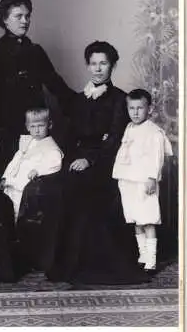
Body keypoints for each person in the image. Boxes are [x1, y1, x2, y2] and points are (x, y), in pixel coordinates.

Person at [48, 41, 149, 284]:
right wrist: (74, 158)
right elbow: (69, 136)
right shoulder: (79, 99)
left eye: (103, 63)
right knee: (60, 186)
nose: (97, 69)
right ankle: (67, 264)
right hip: (77, 160)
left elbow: (115, 139)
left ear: (112, 66)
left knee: (87, 191)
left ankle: (94, 267)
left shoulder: (120, 99)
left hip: (106, 162)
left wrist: (90, 159)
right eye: (93, 64)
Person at [0, 0, 73, 175]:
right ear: (5, 20)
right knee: (10, 176)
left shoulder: (35, 51)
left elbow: (56, 84)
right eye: (18, 16)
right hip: (7, 129)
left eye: (27, 16)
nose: (25, 21)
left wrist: (80, 102)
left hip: (35, 126)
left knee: (34, 174)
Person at [112, 89, 173, 272]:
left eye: (140, 108)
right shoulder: (129, 128)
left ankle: (152, 259)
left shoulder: (154, 132)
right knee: (135, 219)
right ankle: (143, 254)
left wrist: (152, 178)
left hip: (144, 180)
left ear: (150, 109)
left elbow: (156, 158)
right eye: (132, 108)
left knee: (147, 219)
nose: (135, 112)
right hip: (129, 179)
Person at [0, 107, 63, 221]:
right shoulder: (27, 142)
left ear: (49, 125)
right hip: (14, 179)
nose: (37, 130)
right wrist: (5, 176)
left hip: (27, 183)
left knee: (19, 208)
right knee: (7, 205)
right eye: (33, 126)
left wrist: (38, 170)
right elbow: (15, 161)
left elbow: (55, 162)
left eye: (41, 126)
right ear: (28, 127)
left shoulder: (50, 147)